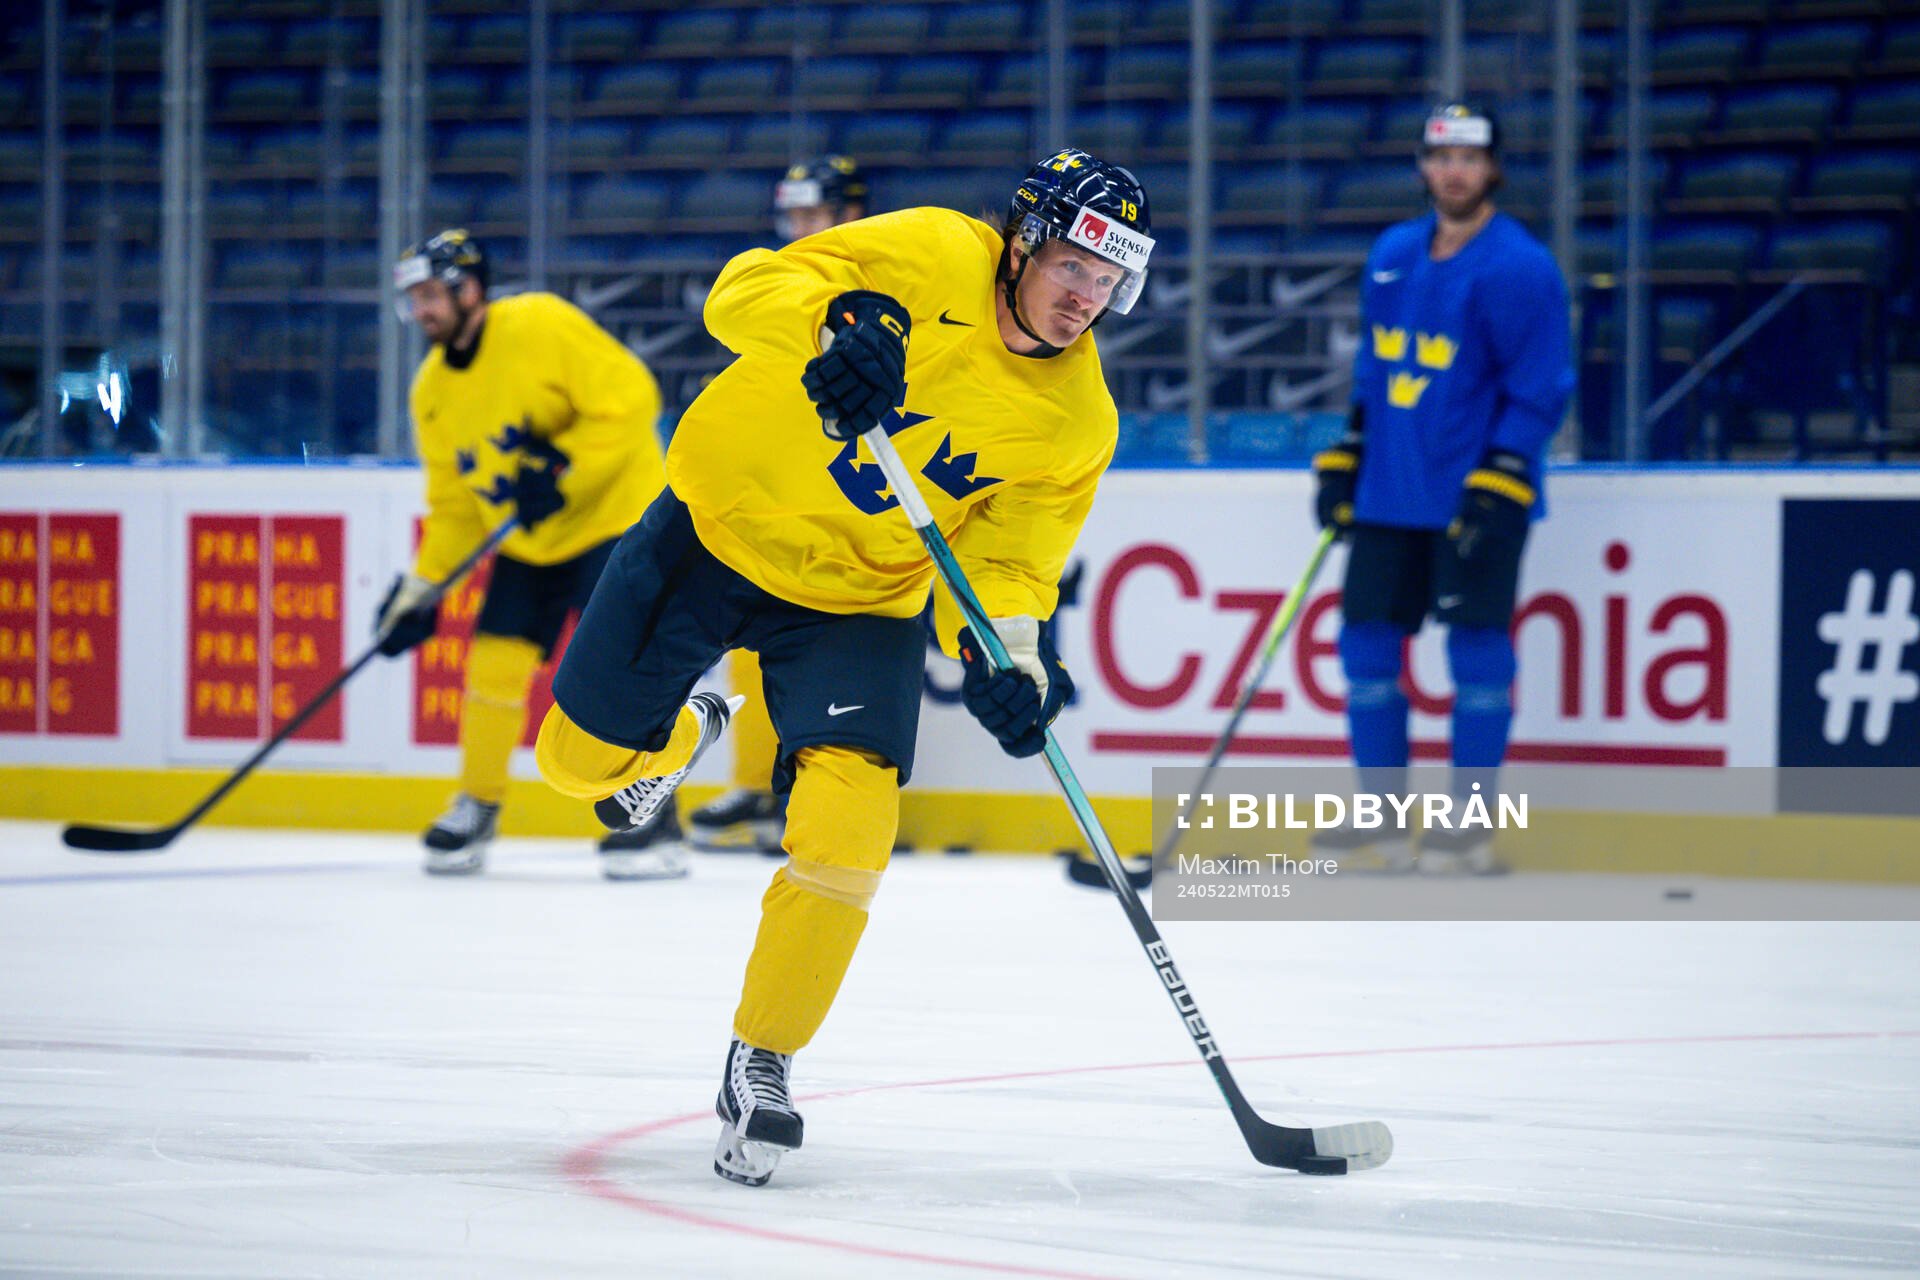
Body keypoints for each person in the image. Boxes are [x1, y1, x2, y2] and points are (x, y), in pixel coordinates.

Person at [534, 149, 1154, 1185]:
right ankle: (687, 731)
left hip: (861, 597)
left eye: (1109, 278)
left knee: (851, 831)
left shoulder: (1077, 420)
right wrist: (838, 326)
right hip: (715, 530)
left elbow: (1010, 567)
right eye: (1074, 266)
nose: (1087, 296)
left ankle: (763, 1055)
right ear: (1023, 239)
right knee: (570, 765)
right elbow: (744, 289)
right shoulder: (925, 251)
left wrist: (1013, 665)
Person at [1311, 105, 1574, 874]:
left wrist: (1507, 473)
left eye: (1469, 157)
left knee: (1480, 653)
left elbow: (1541, 387)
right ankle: (1383, 820)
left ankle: (1468, 830)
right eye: (1439, 156)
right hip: (1391, 493)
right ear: (1424, 165)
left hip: (1475, 496)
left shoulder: (1520, 266)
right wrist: (1350, 449)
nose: (1453, 170)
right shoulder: (1393, 252)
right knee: (1364, 647)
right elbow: (1375, 366)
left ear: (1492, 167)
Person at [378, 229, 677, 880]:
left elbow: (631, 402)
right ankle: (478, 805)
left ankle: (650, 813)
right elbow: (457, 507)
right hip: (533, 539)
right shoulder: (432, 391)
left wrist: (564, 471)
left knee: (619, 672)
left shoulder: (540, 325)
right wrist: (420, 591)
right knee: (491, 668)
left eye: (432, 294)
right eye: (415, 299)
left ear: (471, 288)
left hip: (614, 519)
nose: (422, 310)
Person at [686, 155, 872, 856]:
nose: (800, 228)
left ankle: (808, 795)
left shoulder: (885, 277)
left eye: (813, 214)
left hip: (859, 504)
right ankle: (766, 789)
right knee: (756, 645)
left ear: (850, 214)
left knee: (836, 656)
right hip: (786, 491)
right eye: (791, 215)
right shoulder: (789, 284)